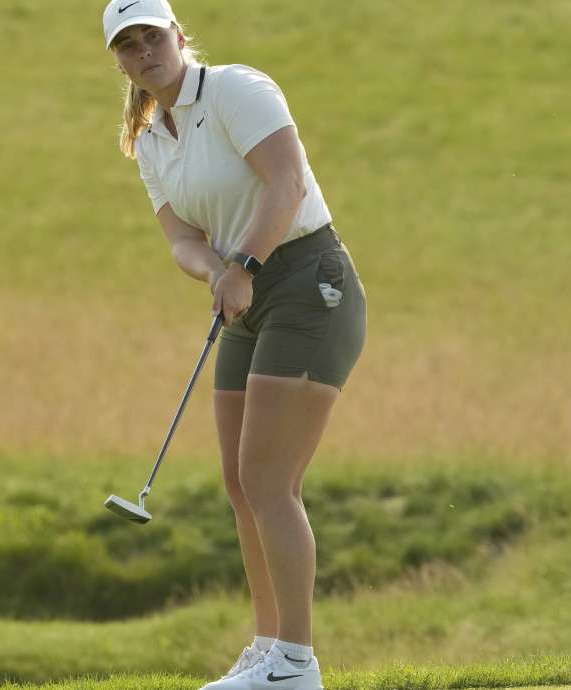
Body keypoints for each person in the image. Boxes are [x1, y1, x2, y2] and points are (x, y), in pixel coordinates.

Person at [103, 1, 367, 689]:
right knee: (240, 483)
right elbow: (181, 241)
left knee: (269, 481)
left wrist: (243, 264)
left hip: (310, 282)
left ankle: (297, 664)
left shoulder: (235, 89)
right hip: (245, 293)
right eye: (127, 45)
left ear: (177, 35)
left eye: (151, 36)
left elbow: (289, 183)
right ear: (119, 61)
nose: (143, 51)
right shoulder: (150, 140)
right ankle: (268, 645)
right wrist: (218, 271)